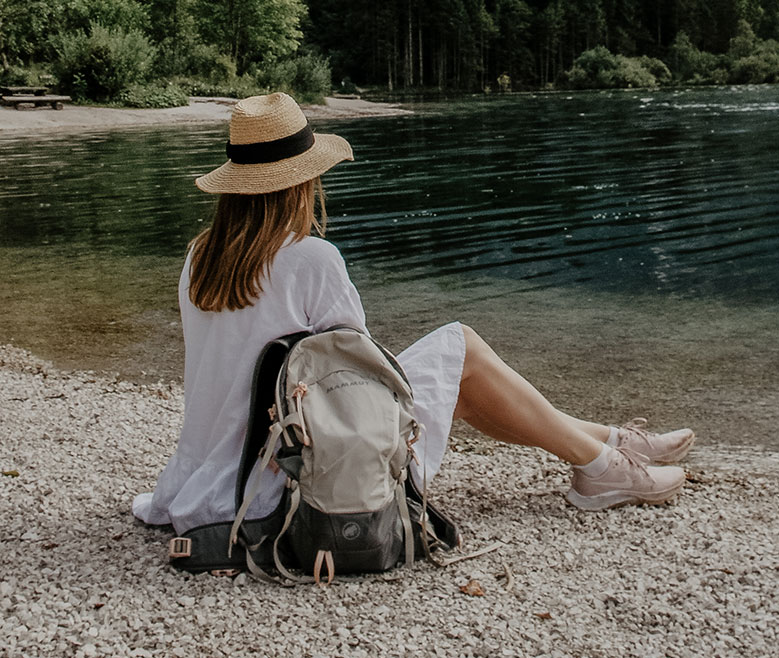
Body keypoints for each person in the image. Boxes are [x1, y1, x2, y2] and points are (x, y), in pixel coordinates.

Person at [133, 92, 692, 539]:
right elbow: (363, 380)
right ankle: (604, 464)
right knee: (463, 349)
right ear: (303, 180)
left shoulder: (200, 256)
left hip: (215, 473)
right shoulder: (309, 259)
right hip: (295, 477)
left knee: (455, 373)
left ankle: (609, 447)